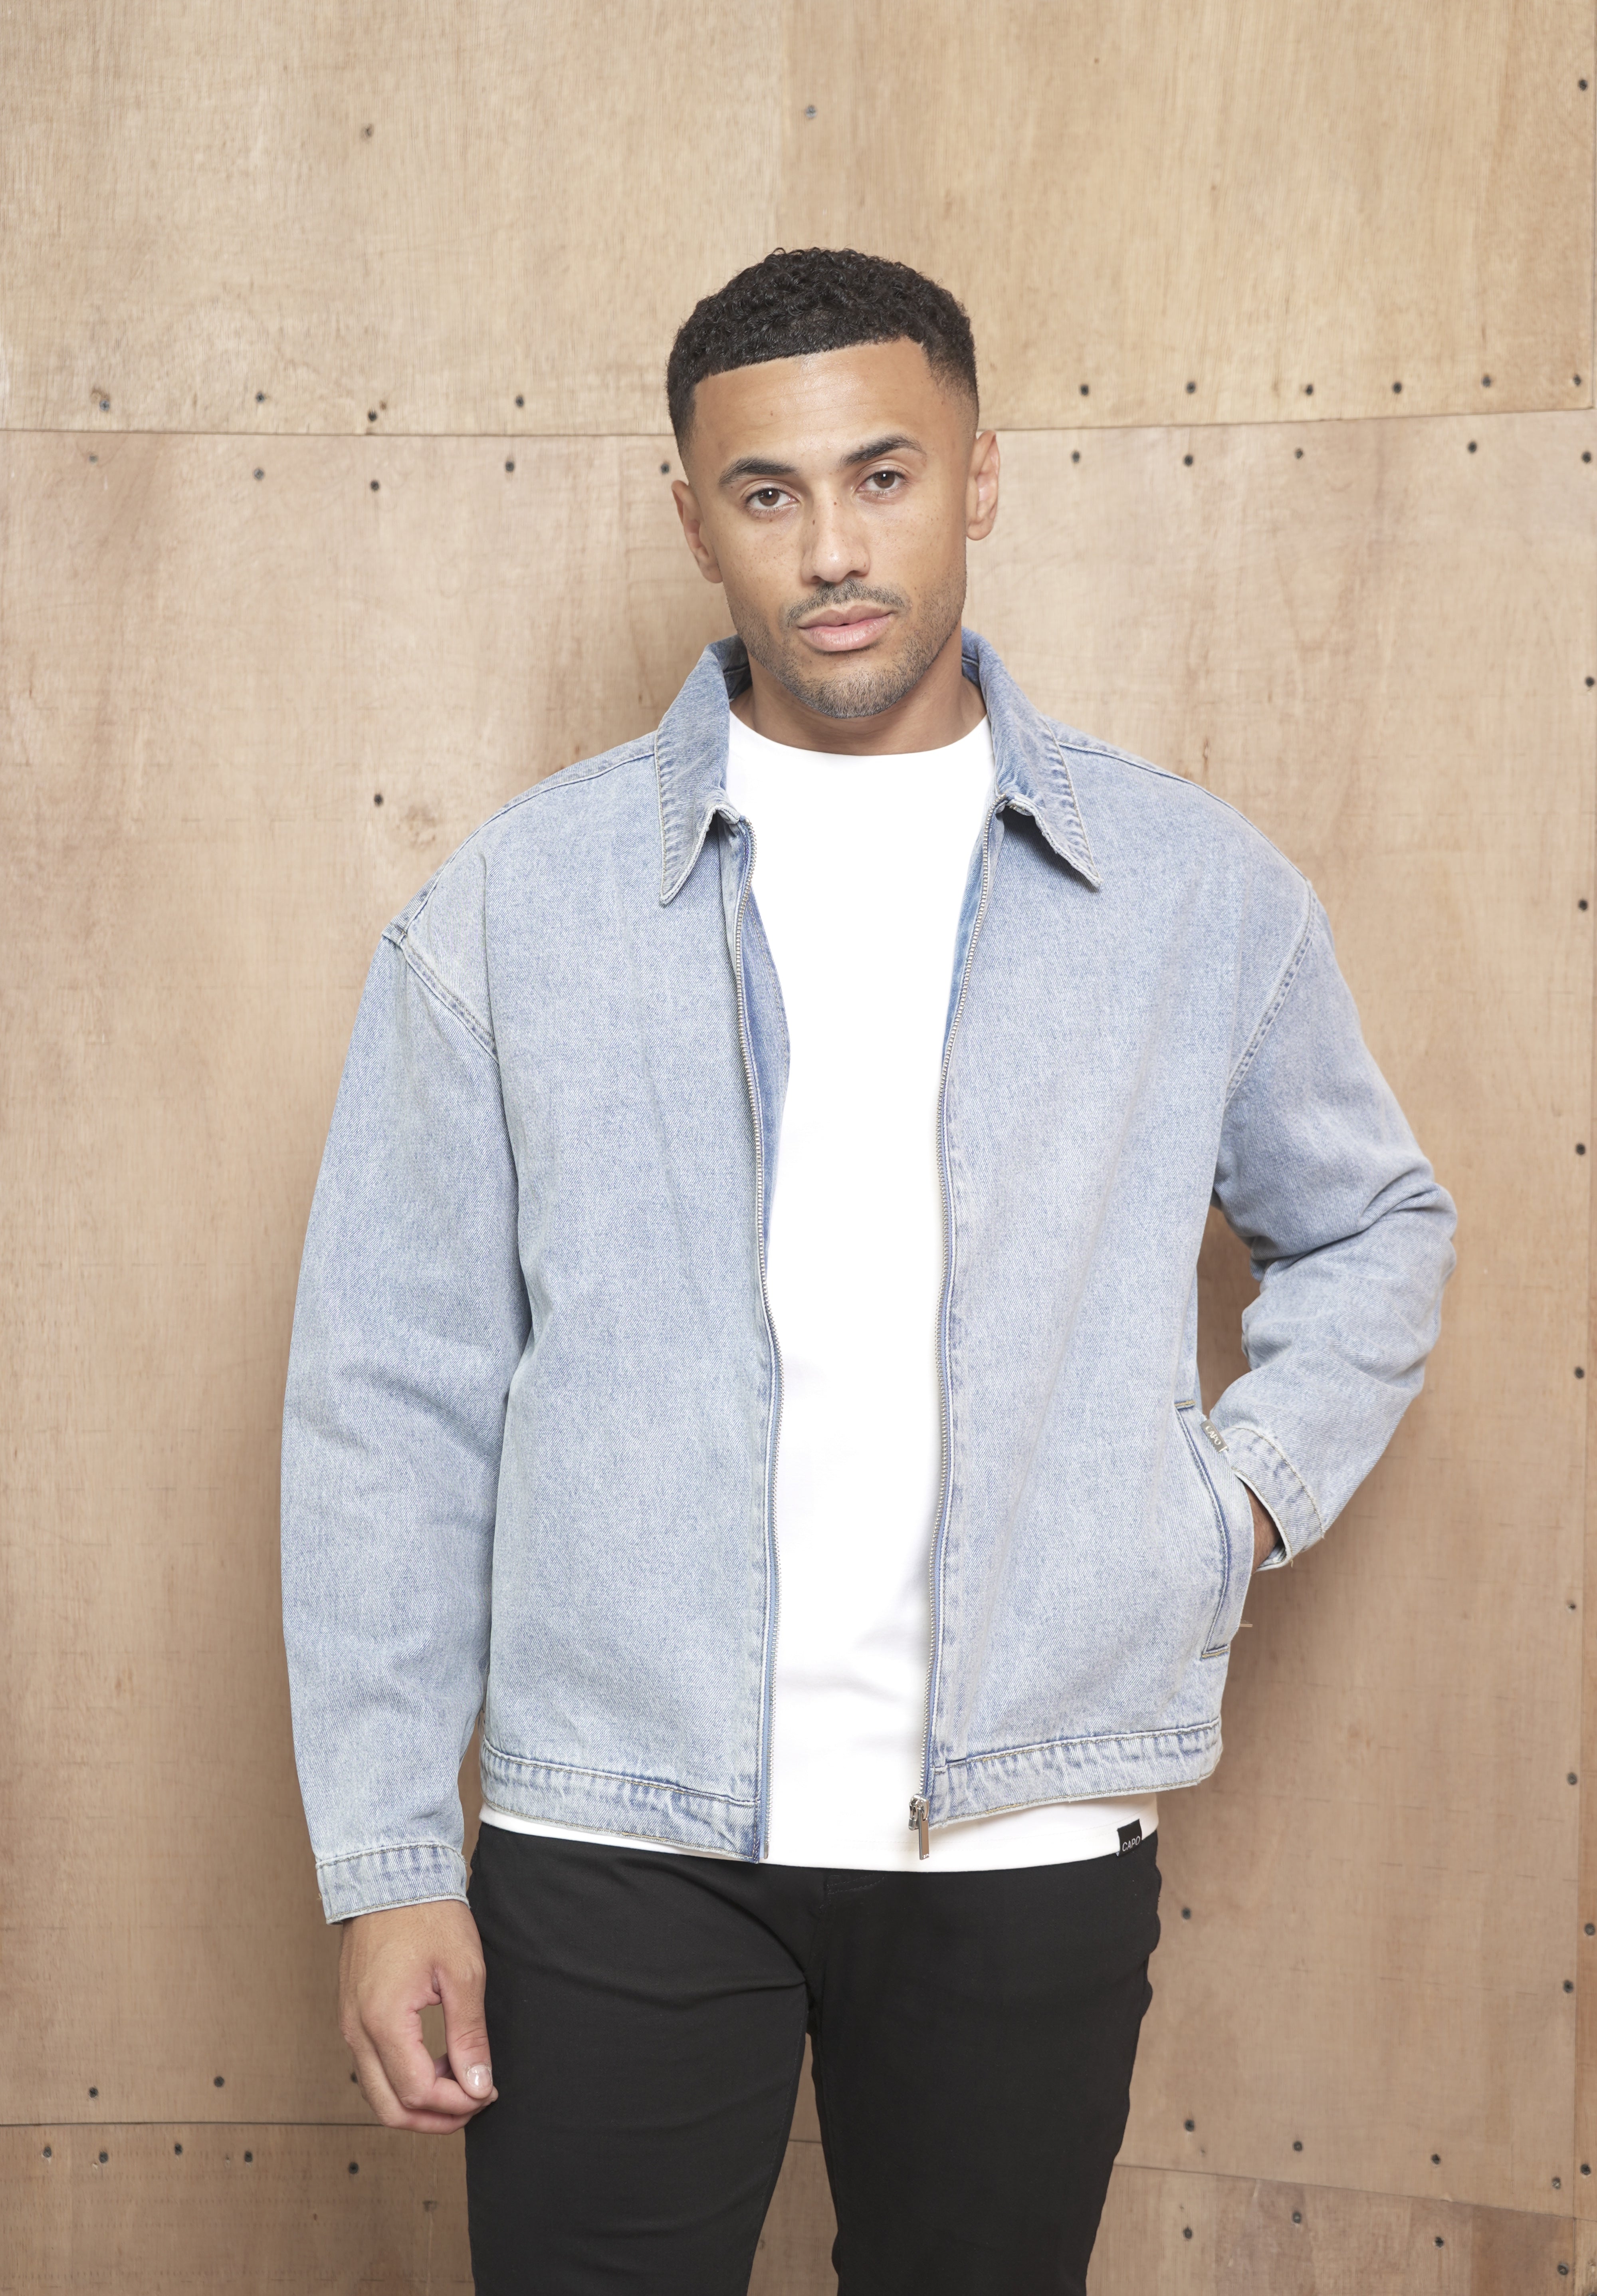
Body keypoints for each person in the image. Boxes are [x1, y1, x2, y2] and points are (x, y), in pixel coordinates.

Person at [281, 248, 1455, 2295]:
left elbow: (1373, 1225)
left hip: (1022, 1836)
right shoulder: (517, 909)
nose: (831, 548)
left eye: (882, 475)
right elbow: (392, 1390)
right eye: (769, 492)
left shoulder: (1188, 890)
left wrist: (1222, 1505)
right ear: (694, 519)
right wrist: (388, 1860)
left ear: (978, 478)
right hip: (616, 1836)